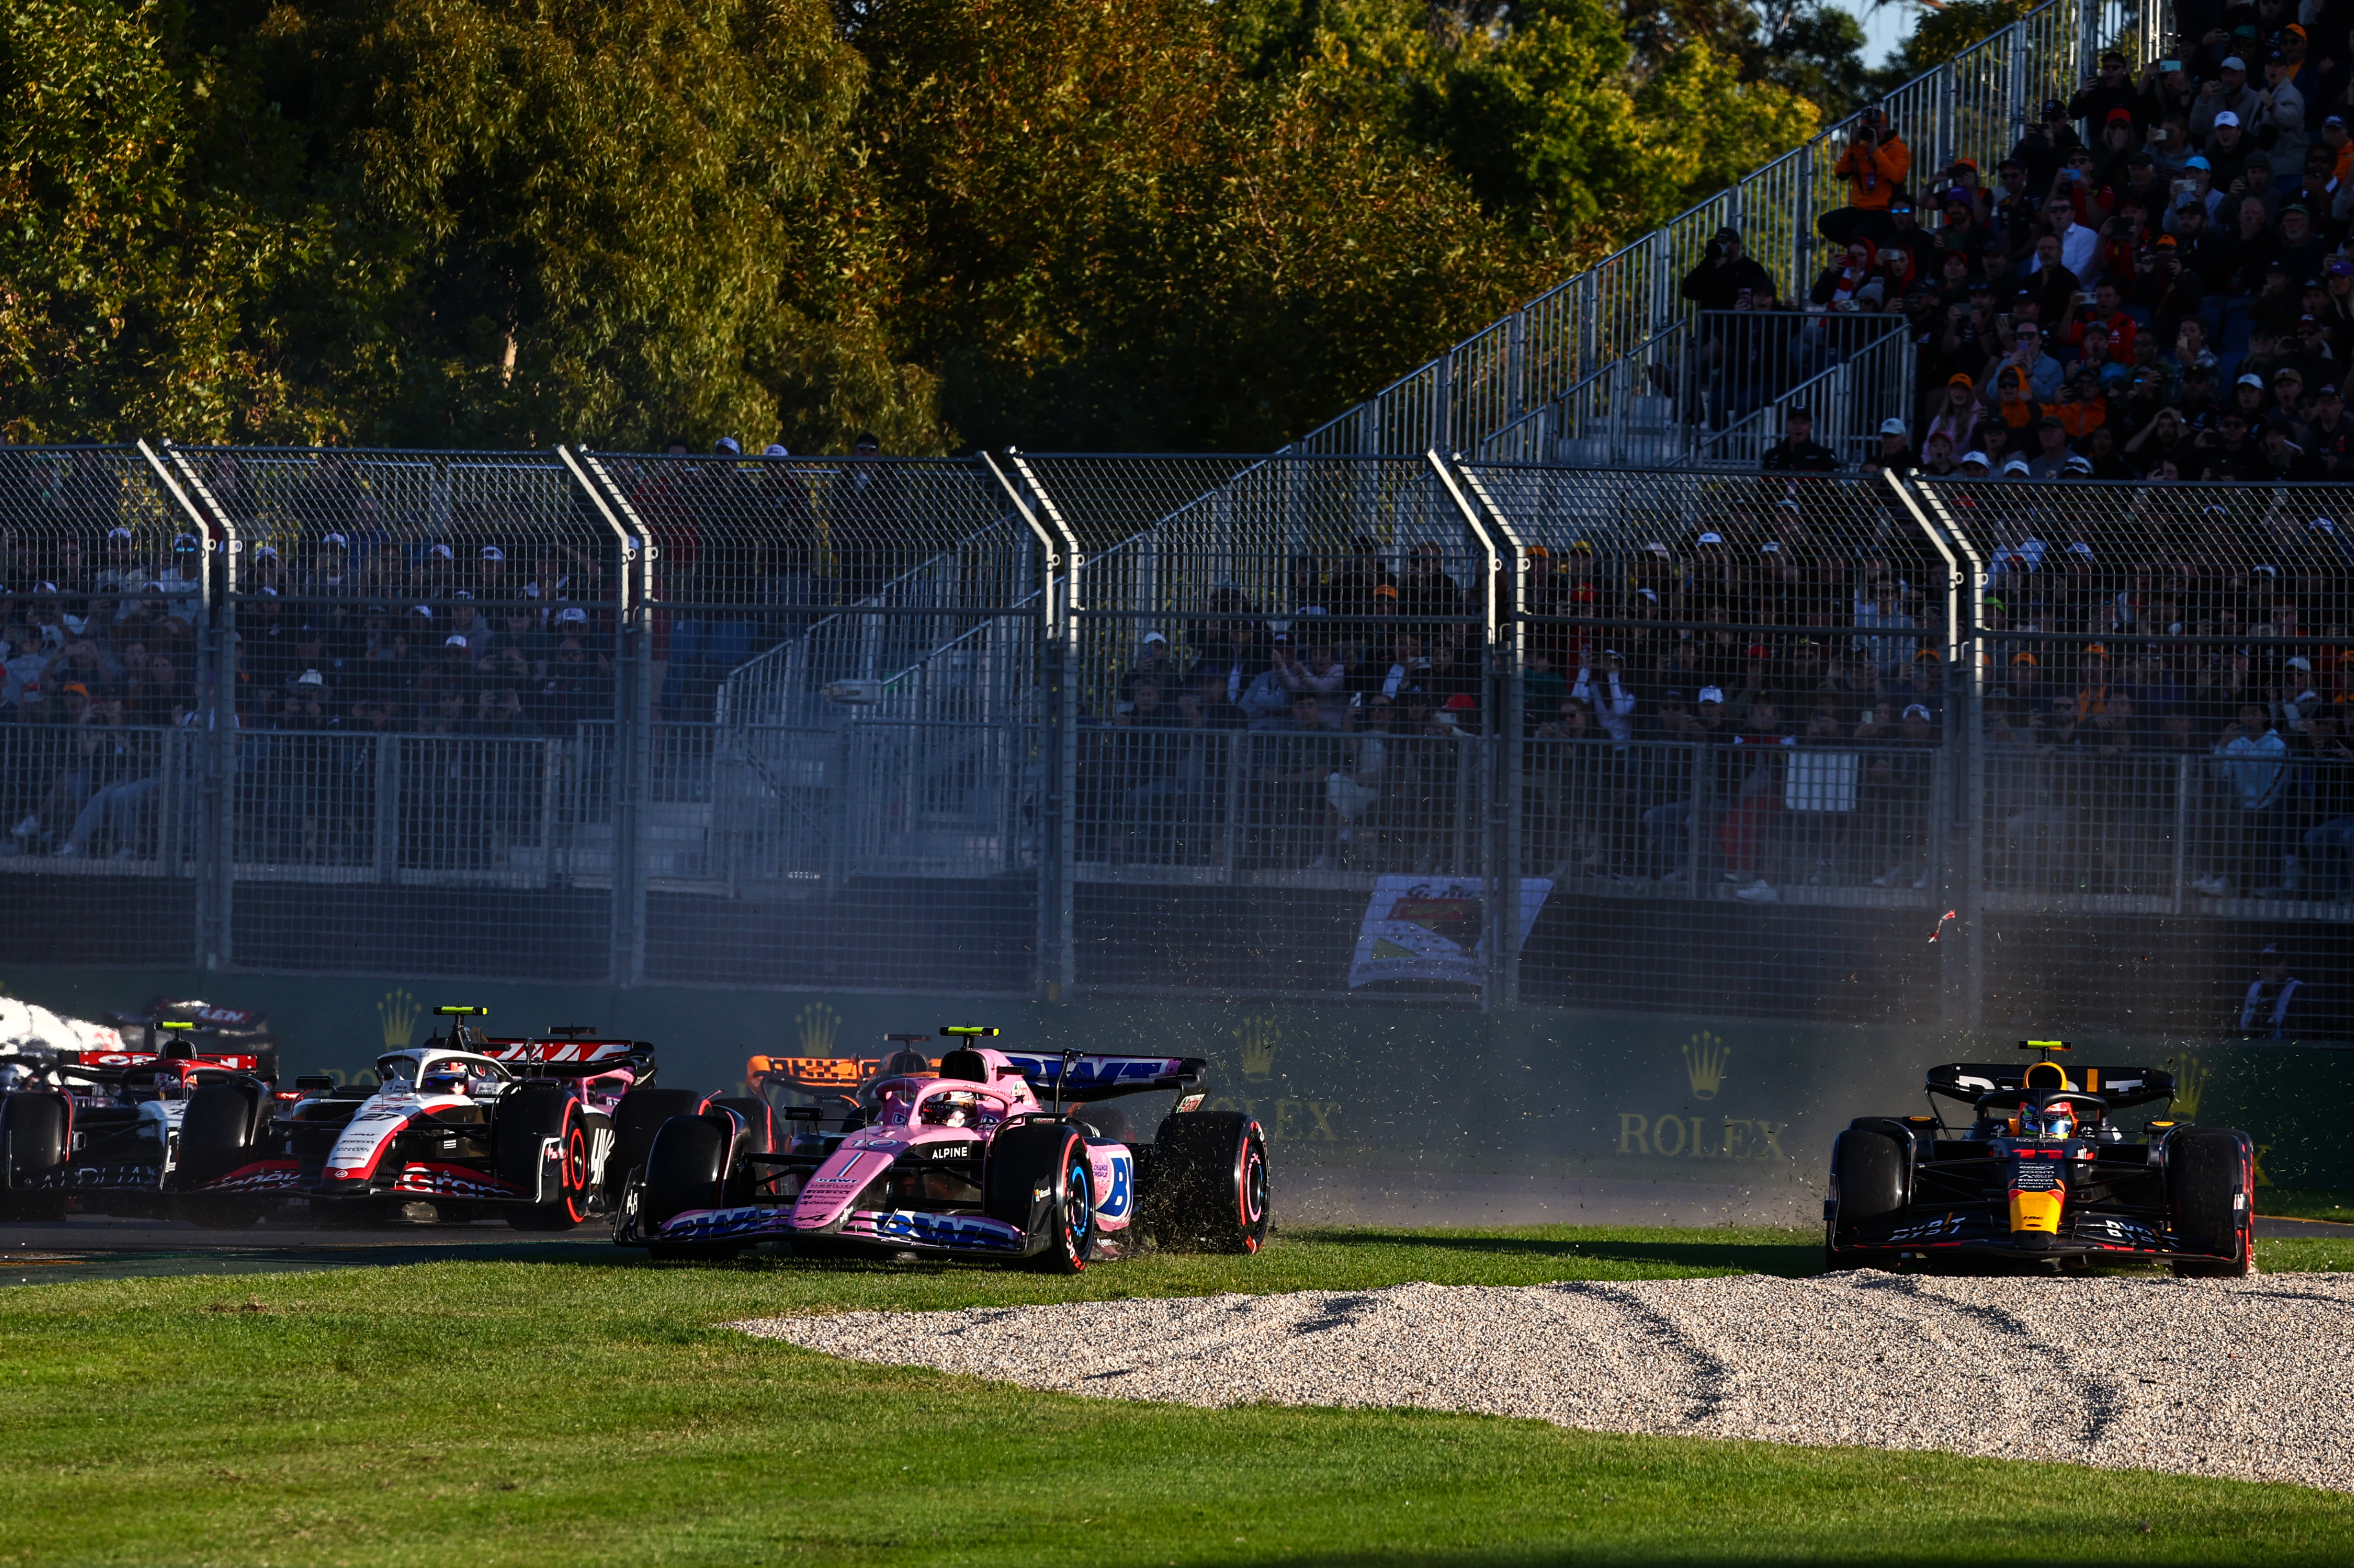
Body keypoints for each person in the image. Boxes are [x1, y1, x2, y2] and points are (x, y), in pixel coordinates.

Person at [1820, 105, 1912, 246]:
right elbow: (1841, 173)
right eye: (1869, 128)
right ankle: (1860, 251)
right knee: (1826, 223)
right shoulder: (1860, 148)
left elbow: (1897, 177)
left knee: (1860, 234)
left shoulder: (1899, 149)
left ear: (1885, 128)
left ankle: (1863, 251)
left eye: (1877, 128)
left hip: (1884, 210)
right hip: (1860, 208)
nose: (1873, 132)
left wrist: (1876, 150)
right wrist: (1853, 146)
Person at [2236, 943, 2305, 1037]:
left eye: (2275, 962)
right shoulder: (2255, 989)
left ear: (2286, 964)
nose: (2269, 967)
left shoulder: (2297, 989)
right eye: (2265, 962)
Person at [1761, 407, 1838, 472]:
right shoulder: (1771, 455)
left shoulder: (1824, 456)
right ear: (1788, 426)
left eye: (1803, 423)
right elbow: (1762, 487)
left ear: (1810, 427)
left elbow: (1835, 487)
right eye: (1795, 422)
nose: (1799, 427)